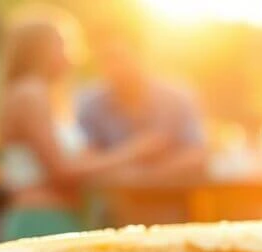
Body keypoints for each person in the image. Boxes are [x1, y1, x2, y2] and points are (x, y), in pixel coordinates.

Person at [0, 7, 156, 241]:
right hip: (41, 220)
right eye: (63, 44)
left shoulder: (44, 96)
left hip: (60, 217)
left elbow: (77, 161)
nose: (73, 54)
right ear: (41, 50)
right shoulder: (31, 93)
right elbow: (61, 170)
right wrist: (133, 151)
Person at [78, 24, 207, 181]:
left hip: (174, 192)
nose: (115, 67)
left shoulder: (177, 96)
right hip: (116, 197)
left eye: (121, 57)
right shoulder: (91, 103)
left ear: (140, 56)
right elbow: (86, 162)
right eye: (107, 59)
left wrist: (144, 177)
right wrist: (135, 150)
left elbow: (197, 155)